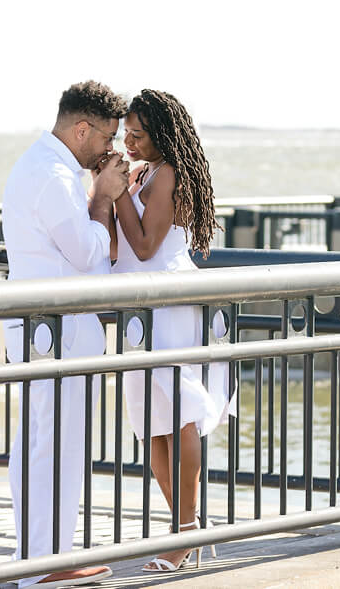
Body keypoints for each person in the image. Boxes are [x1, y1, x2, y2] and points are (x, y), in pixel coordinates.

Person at [2, 80, 129, 587]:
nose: (111, 150)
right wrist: (101, 198)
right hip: (57, 330)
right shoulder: (54, 176)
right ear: (82, 129)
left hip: (40, 327)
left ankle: (38, 558)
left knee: (37, 443)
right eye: (106, 138)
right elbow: (84, 251)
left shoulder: (38, 164)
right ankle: (46, 565)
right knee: (57, 446)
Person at [109, 89, 232, 572]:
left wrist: (119, 195)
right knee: (151, 422)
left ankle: (182, 533)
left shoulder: (169, 175)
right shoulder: (140, 172)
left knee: (180, 414)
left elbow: (143, 246)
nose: (129, 141)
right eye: (125, 133)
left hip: (170, 303)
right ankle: (188, 526)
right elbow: (117, 245)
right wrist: (109, 187)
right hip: (141, 307)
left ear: (162, 134)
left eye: (138, 134)